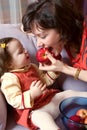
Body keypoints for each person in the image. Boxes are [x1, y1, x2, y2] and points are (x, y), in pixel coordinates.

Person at [1, 37, 87, 130]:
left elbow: (44, 81)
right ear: (9, 64)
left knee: (68, 93)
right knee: (41, 117)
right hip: (34, 110)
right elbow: (14, 100)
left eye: (23, 48)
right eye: (20, 51)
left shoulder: (32, 67)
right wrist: (32, 94)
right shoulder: (9, 78)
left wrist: (54, 71)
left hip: (49, 99)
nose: (26, 51)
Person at [22, 0, 87, 91]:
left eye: (43, 36)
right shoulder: (66, 40)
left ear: (62, 28)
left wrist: (64, 68)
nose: (38, 44)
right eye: (36, 37)